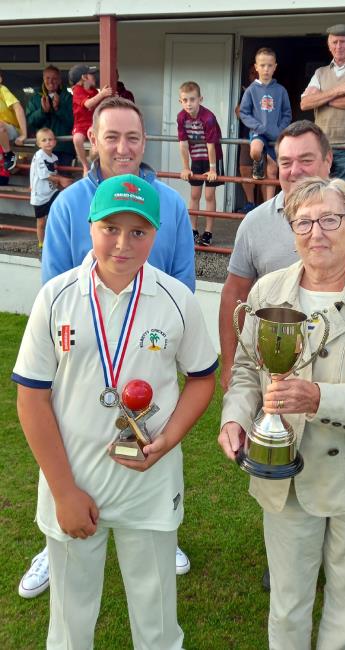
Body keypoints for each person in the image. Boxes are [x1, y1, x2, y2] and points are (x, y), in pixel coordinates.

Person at [13, 173, 217, 648]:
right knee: (70, 623)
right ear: (89, 225)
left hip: (148, 487)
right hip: (73, 483)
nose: (122, 244)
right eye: (110, 228)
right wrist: (63, 491)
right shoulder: (56, 297)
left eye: (139, 232)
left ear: (155, 234)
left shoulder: (177, 300)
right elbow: (32, 397)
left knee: (158, 622)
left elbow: (202, 378)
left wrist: (167, 441)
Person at [219, 176, 345, 650]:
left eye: (330, 219)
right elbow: (247, 369)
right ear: (292, 232)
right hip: (285, 474)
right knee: (287, 602)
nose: (317, 232)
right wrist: (235, 417)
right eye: (303, 222)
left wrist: (320, 399)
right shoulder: (268, 290)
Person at [19, 96, 195, 599]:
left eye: (133, 138)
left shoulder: (172, 206)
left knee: (148, 449)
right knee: (68, 451)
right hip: (81, 360)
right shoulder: (69, 205)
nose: (123, 147)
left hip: (146, 361)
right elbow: (53, 289)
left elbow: (179, 286)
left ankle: (162, 531)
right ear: (91, 140)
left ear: (145, 143)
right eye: (111, 136)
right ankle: (55, 533)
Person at [300, 24, 345, 184]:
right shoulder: (320, 72)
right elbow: (304, 103)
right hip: (322, 143)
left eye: (343, 41)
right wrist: (338, 90)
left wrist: (322, 99)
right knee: (318, 191)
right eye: (334, 42)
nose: (338, 46)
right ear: (328, 44)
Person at [239, 47, 291, 198]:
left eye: (269, 65)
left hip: (276, 134)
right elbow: (244, 112)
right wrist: (258, 127)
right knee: (255, 150)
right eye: (262, 65)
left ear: (275, 67)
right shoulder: (251, 90)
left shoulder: (281, 90)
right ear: (256, 67)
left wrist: (280, 129)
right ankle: (258, 163)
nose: (266, 69)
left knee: (273, 171)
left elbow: (287, 113)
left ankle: (269, 202)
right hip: (259, 133)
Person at [177, 81, 224, 246]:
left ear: (200, 99)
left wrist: (212, 169)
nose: (189, 104)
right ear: (180, 101)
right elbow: (182, 143)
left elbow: (211, 145)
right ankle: (193, 230)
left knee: (209, 195)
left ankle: (208, 232)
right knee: (195, 194)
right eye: (185, 100)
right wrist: (185, 167)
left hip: (212, 158)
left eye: (192, 99)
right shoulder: (181, 117)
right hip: (196, 157)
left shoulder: (208, 118)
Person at [29, 128, 73, 250]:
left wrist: (59, 182)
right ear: (38, 144)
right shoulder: (39, 155)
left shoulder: (53, 157)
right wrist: (61, 180)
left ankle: (55, 240)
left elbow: (53, 172)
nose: (48, 142)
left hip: (51, 191)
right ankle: (42, 244)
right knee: (41, 222)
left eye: (50, 139)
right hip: (40, 195)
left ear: (55, 142)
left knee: (55, 214)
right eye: (44, 140)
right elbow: (45, 175)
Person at [25, 65, 75, 167]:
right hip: (42, 148)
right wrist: (43, 111)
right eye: (47, 78)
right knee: (44, 180)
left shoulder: (69, 98)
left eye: (54, 78)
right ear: (43, 79)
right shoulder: (35, 99)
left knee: (64, 180)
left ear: (60, 80)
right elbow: (30, 122)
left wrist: (58, 109)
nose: (51, 81)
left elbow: (73, 122)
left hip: (64, 149)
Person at [69, 63, 113, 175]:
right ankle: (85, 165)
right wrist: (102, 94)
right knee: (77, 139)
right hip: (80, 124)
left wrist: (107, 96)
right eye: (91, 75)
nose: (95, 77)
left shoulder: (94, 91)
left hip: (92, 123)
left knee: (95, 144)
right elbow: (88, 104)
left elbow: (99, 104)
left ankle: (91, 158)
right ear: (84, 77)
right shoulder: (77, 90)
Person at [236, 64, 260, 214]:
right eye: (252, 73)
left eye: (256, 73)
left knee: (266, 174)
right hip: (247, 137)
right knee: (245, 169)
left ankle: (265, 206)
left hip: (267, 138)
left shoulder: (270, 91)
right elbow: (238, 112)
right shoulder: (246, 92)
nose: (255, 76)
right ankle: (250, 203)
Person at [0, 70, 27, 171]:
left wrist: (24, 134)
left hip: (11, 130)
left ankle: (8, 154)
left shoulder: (2, 89)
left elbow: (18, 108)